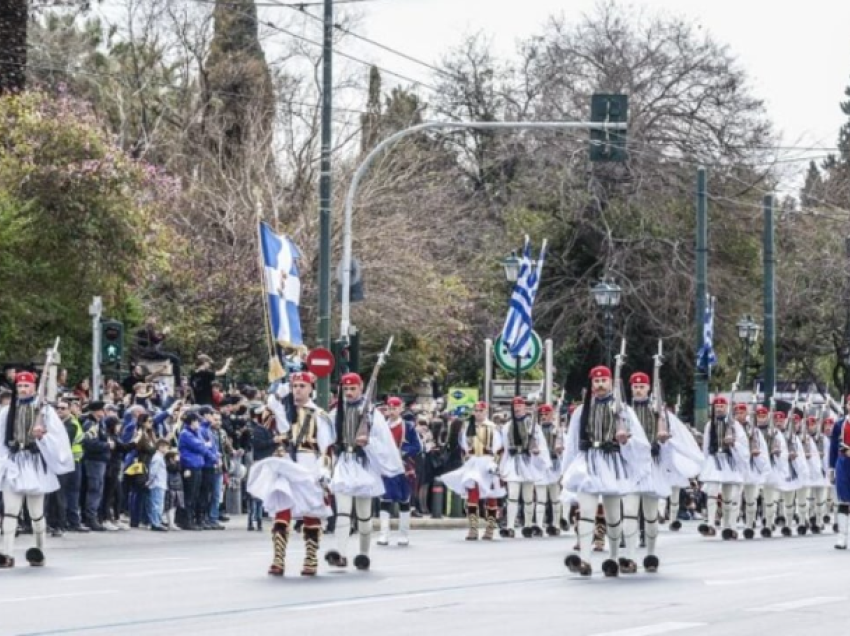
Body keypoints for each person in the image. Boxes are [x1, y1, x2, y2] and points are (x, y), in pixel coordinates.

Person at [561, 366, 650, 577]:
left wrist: (626, 440)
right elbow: (572, 442)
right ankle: (584, 559)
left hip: (612, 463)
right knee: (586, 512)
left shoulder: (623, 410)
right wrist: (567, 471)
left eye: (604, 381)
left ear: (611, 383)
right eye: (596, 381)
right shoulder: (582, 411)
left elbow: (640, 440)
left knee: (612, 514)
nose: (600, 385)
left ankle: (613, 558)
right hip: (589, 461)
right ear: (592, 384)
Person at [248, 372, 334, 576]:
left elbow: (326, 447)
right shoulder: (283, 410)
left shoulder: (320, 415)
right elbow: (262, 414)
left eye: (302, 386)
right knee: (281, 508)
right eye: (295, 386)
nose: (298, 390)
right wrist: (277, 394)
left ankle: (311, 558)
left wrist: (324, 470)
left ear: (311, 388)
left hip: (308, 463)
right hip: (286, 462)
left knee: (311, 510)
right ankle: (278, 558)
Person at [325, 372, 404, 572]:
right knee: (342, 511)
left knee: (363, 515)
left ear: (361, 388)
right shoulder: (336, 412)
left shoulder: (372, 413)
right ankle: (340, 553)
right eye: (346, 389)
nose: (349, 393)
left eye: (353, 389)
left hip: (363, 464)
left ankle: (363, 554)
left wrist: (368, 441)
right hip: (344, 462)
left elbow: (384, 441)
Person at [0, 371, 75, 568]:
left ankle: (39, 550)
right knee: (10, 511)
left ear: (34, 387)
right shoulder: (7, 411)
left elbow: (59, 439)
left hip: (35, 463)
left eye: (26, 386)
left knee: (36, 513)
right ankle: (6, 552)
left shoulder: (45, 411)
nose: (23, 390)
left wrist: (42, 437)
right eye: (19, 386)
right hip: (15, 463)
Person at [441, 402, 505, 540]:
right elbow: (463, 446)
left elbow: (499, 448)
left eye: (480, 411)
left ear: (486, 411)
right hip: (473, 462)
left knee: (491, 495)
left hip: (488, 462)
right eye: (476, 411)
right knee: (472, 493)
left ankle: (490, 528)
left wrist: (495, 464)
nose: (478, 413)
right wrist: (467, 457)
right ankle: (473, 528)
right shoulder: (468, 427)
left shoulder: (493, 428)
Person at [697, 396, 750, 540]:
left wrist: (733, 444)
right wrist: (705, 462)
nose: (719, 409)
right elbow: (706, 445)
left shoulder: (735, 425)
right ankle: (710, 523)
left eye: (721, 406)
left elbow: (743, 443)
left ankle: (730, 525)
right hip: (715, 460)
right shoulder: (710, 424)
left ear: (726, 408)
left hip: (730, 461)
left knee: (730, 496)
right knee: (712, 492)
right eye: (716, 407)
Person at [500, 396, 551, 538]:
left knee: (528, 496)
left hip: (528, 461)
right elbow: (504, 448)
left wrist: (536, 451)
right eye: (515, 407)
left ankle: (528, 525)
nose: (517, 409)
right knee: (512, 495)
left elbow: (540, 443)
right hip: (513, 461)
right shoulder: (507, 426)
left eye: (520, 406)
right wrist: (502, 466)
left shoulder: (532, 425)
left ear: (524, 407)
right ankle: (510, 526)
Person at [377, 396, 423, 547]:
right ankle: (384, 534)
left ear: (401, 409)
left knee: (404, 500)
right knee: (385, 500)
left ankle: (403, 534)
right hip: (386, 467)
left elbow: (418, 446)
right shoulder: (381, 426)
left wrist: (402, 452)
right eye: (389, 408)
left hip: (403, 467)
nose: (391, 411)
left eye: (394, 408)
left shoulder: (408, 426)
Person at [133, 317, 182, 390]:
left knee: (171, 355)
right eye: (154, 319)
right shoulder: (148, 329)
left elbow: (153, 339)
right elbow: (156, 340)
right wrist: (164, 333)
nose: (155, 321)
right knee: (176, 359)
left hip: (145, 353)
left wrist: (160, 334)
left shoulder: (142, 330)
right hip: (151, 353)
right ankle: (178, 384)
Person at [829, 395, 850, 549]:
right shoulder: (839, 424)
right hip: (843, 463)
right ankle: (841, 537)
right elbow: (833, 448)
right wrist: (831, 468)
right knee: (843, 500)